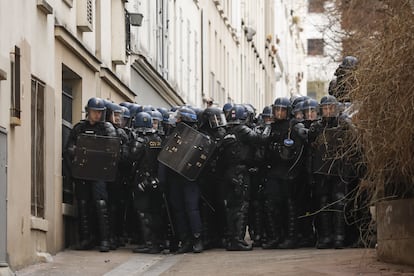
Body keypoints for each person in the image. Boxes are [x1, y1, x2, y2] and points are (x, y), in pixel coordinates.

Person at [65, 97, 117, 252]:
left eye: (100, 112)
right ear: (88, 111)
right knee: (83, 204)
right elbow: (68, 149)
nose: (97, 115)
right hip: (82, 172)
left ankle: (105, 239)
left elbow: (113, 150)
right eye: (94, 112)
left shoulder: (107, 129)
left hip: (99, 173)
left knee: (101, 204)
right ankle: (86, 239)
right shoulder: (79, 128)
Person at [308, 95, 352, 249]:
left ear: (336, 108)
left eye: (330, 108)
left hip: (339, 170)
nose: (328, 111)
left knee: (339, 202)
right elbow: (310, 148)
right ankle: (326, 236)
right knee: (323, 203)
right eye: (325, 109)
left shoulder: (345, 124)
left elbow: (353, 144)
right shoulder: (316, 127)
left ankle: (339, 236)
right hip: (321, 170)